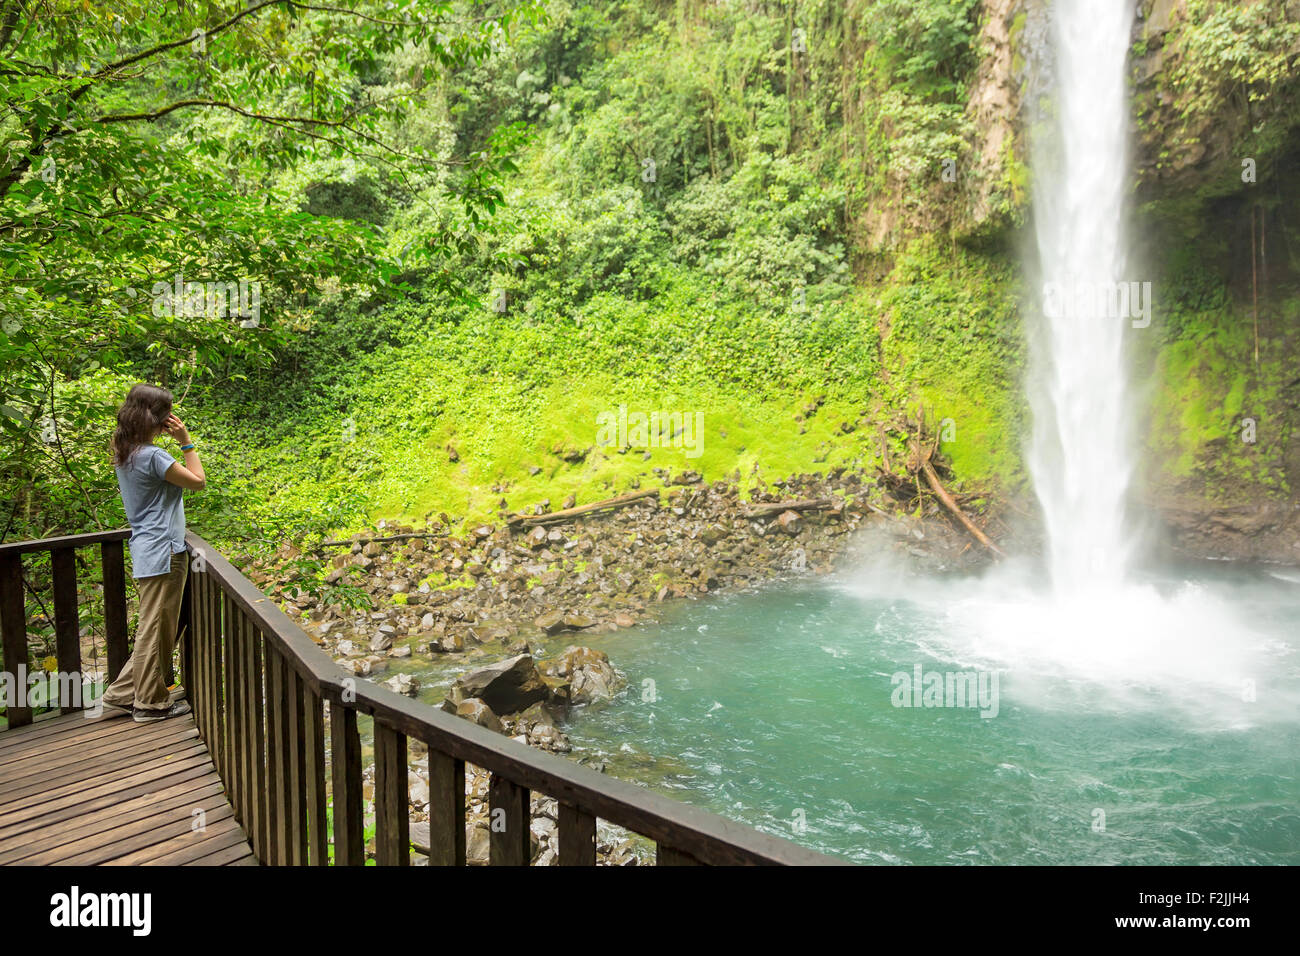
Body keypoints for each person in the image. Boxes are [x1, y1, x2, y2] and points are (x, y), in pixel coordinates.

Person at [101, 383, 206, 722]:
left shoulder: (125, 450)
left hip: (147, 547)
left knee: (155, 626)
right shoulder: (154, 456)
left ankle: (120, 695)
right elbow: (197, 481)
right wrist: (186, 442)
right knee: (154, 628)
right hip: (165, 550)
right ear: (160, 419)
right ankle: (149, 702)